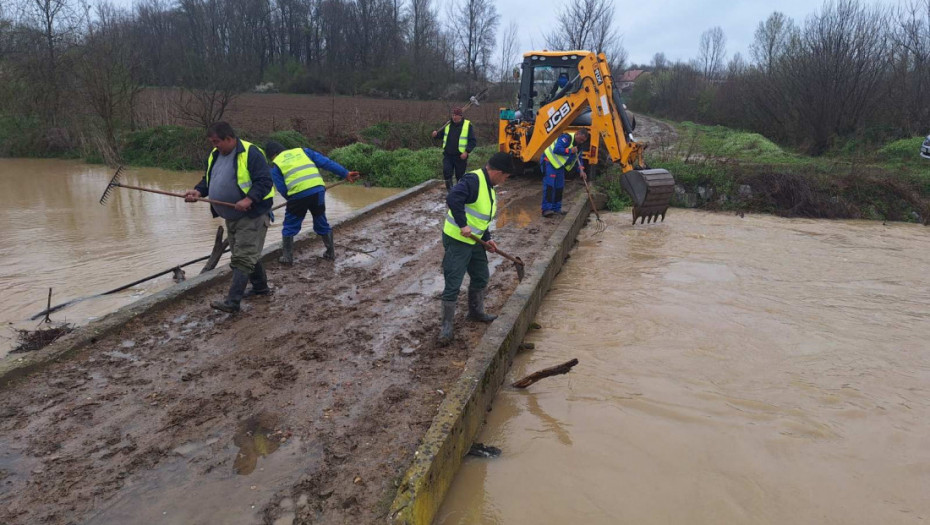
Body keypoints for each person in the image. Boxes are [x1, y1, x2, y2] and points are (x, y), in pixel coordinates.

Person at [185, 122, 274, 313]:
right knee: (246, 253)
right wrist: (198, 191)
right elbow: (209, 179)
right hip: (231, 216)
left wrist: (249, 199)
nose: (214, 145)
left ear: (229, 138)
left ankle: (233, 302)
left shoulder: (251, 153)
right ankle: (260, 288)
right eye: (212, 142)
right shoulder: (215, 155)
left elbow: (265, 181)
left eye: (216, 141)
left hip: (252, 214)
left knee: (243, 257)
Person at [438, 152, 515, 346]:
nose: (504, 181)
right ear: (498, 172)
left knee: (481, 276)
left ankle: (475, 312)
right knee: (453, 282)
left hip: (476, 241)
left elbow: (480, 217)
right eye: (505, 177)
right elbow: (452, 198)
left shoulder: (489, 186)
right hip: (458, 240)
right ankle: (446, 327)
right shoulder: (473, 180)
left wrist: (487, 239)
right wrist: (463, 224)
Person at [263, 141, 360, 264]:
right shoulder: (303, 151)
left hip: (298, 195)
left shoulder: (276, 165)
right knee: (321, 220)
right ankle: (330, 253)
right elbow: (326, 163)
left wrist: (292, 200)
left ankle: (287, 258)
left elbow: (282, 188)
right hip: (318, 190)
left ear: (272, 155)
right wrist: (345, 173)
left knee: (289, 226)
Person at [540, 128, 590, 217]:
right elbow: (557, 149)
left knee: (559, 187)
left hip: (559, 166)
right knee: (550, 186)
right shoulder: (566, 138)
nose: (581, 142)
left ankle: (556, 208)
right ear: (577, 133)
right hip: (549, 162)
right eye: (580, 139)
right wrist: (570, 151)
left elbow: (579, 159)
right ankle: (546, 209)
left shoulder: (579, 147)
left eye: (583, 141)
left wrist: (581, 170)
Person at [431, 107, 477, 191]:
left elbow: (472, 141)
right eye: (453, 115)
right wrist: (435, 135)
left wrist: (466, 152)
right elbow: (440, 135)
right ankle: (450, 191)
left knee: (460, 176)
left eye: (456, 115)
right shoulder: (448, 124)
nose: (454, 117)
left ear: (461, 116)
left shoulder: (467, 125)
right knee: (446, 172)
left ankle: (460, 191)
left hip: (460, 156)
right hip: (448, 155)